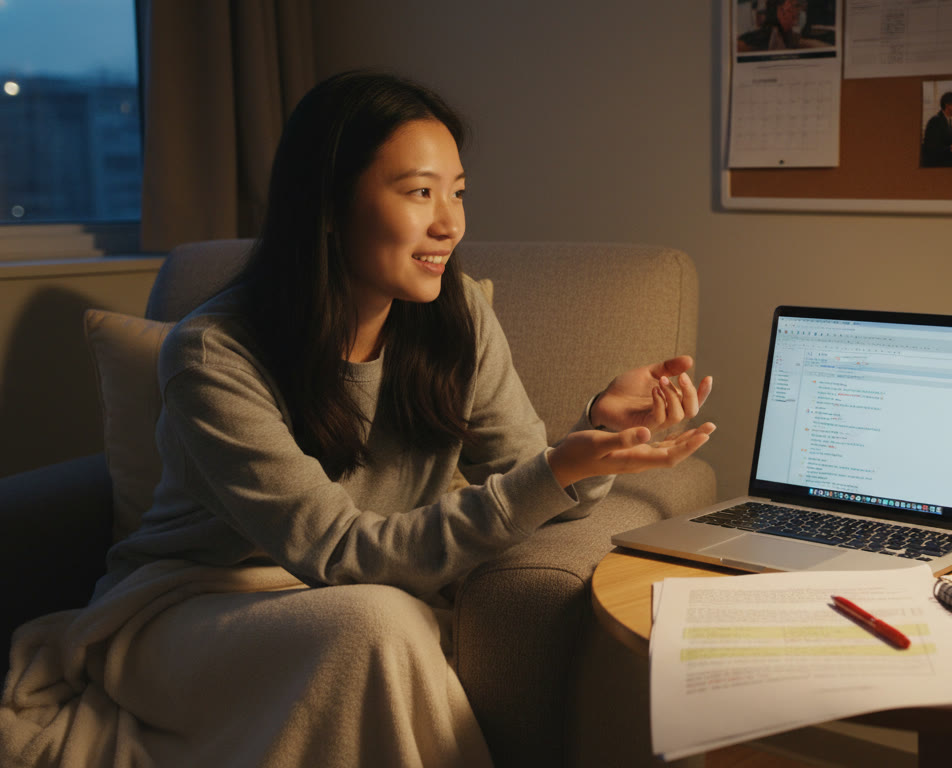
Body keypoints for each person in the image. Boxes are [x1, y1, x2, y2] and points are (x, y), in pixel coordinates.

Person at [0, 70, 715, 767]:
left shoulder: (457, 316)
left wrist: (597, 437)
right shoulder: (212, 354)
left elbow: (531, 491)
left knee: (382, 620)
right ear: (329, 201)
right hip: (192, 607)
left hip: (366, 603)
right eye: (420, 192)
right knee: (379, 623)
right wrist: (554, 471)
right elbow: (340, 553)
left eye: (458, 192)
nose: (450, 222)